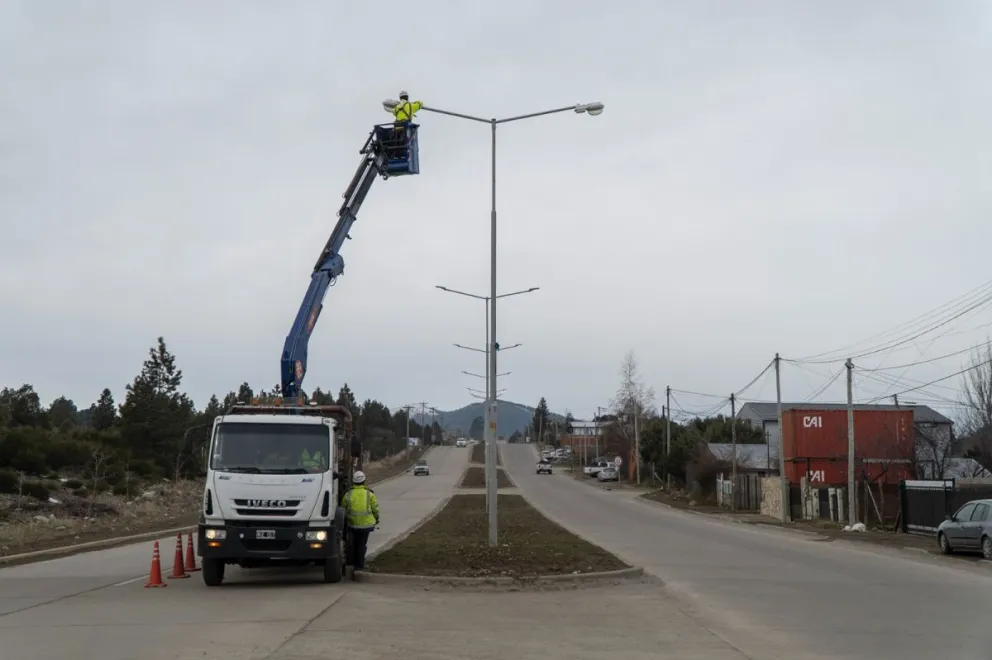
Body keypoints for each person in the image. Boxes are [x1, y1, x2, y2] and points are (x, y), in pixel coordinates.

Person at [342, 470, 379, 571]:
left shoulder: (348, 494)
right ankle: (360, 565)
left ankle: (354, 563)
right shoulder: (369, 494)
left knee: (354, 543)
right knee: (362, 544)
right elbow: (375, 507)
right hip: (366, 524)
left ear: (353, 482)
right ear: (364, 481)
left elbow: (343, 508)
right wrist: (376, 517)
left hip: (353, 524)